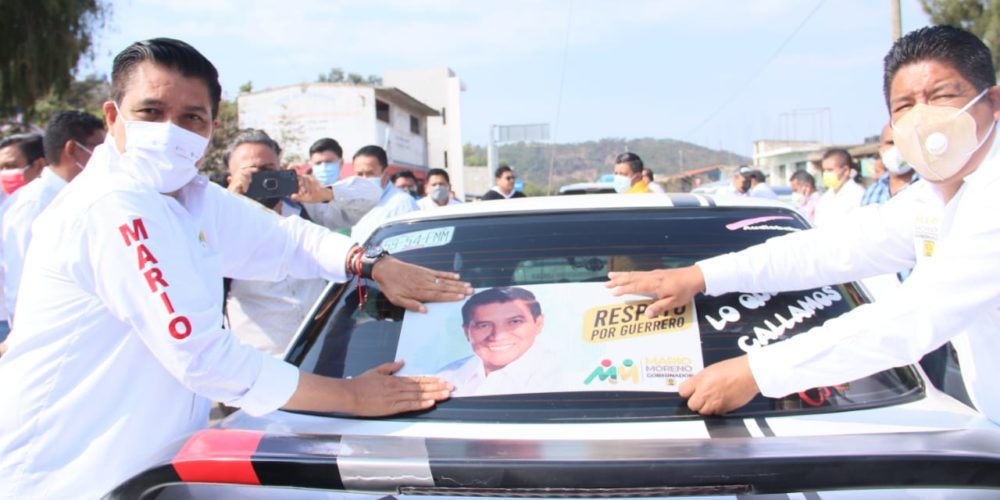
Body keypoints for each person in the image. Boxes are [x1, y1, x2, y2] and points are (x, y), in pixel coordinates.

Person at [0, 38, 471, 499]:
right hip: (62, 474)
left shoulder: (191, 195)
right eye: (150, 112)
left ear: (210, 126)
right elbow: (203, 357)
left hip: (148, 471)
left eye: (191, 118)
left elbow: (287, 240)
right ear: (112, 117)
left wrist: (368, 262)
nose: (170, 130)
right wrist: (353, 398)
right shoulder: (114, 207)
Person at [605, 26, 1000, 425]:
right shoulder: (931, 198)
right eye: (905, 105)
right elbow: (830, 249)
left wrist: (755, 372)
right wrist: (700, 275)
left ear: (994, 102)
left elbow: (914, 317)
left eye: (942, 96)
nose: (922, 119)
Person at [222, 129, 346, 356]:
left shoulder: (307, 211)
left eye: (268, 171)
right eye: (251, 172)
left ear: (282, 171)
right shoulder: (219, 226)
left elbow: (369, 200)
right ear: (231, 179)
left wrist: (325, 194)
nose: (263, 179)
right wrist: (227, 204)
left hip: (323, 349)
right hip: (264, 362)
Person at [1, 111, 105, 323]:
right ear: (72, 149)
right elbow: (19, 282)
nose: (106, 155)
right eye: (98, 148)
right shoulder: (35, 203)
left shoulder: (74, 195)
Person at [436, 286, 556, 396]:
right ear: (466, 331)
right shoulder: (444, 377)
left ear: (538, 324)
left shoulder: (563, 379)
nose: (498, 336)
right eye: (484, 325)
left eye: (514, 322)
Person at [0, 133, 46, 342]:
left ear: (38, 165)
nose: (4, 174)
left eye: (10, 166)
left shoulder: (32, 204)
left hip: (15, 323)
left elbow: (18, 275)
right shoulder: (12, 203)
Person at [349, 145, 419, 243]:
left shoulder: (403, 203)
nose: (364, 179)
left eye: (370, 173)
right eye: (359, 174)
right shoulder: (355, 202)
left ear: (385, 173)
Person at [862, 124, 919, 206]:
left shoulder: (930, 188)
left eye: (902, 142)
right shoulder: (871, 192)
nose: (897, 149)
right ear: (880, 149)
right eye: (891, 143)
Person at [813, 148, 865, 227]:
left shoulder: (858, 195)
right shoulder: (825, 198)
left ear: (846, 170)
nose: (825, 174)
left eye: (830, 170)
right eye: (824, 170)